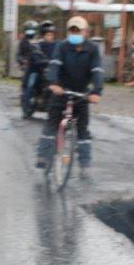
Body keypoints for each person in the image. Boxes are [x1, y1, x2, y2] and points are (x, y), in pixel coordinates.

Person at [35, 16, 102, 168]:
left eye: (78, 30)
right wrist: (53, 83)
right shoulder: (62, 46)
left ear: (85, 32)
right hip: (61, 92)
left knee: (83, 128)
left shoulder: (93, 49)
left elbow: (97, 71)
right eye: (72, 30)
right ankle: (43, 156)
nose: (75, 33)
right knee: (51, 125)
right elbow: (54, 65)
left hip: (81, 94)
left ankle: (84, 160)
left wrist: (96, 92)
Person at [17, 22, 38, 107]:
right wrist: (23, 61)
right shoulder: (23, 42)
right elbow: (18, 55)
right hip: (28, 66)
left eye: (32, 30)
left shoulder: (38, 41)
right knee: (28, 83)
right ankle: (26, 100)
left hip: (38, 65)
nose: (30, 32)